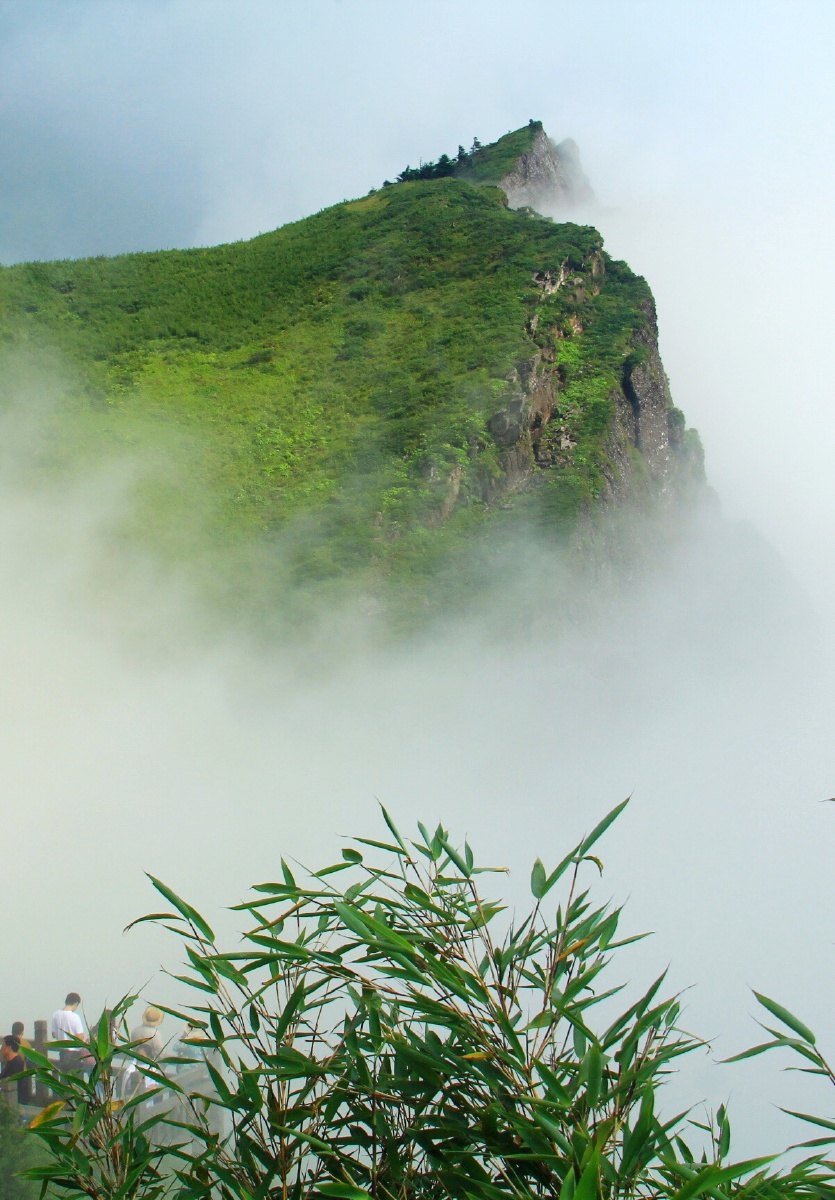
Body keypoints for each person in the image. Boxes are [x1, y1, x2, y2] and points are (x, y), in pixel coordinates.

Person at [51, 992, 89, 1071]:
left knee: (64, 1079)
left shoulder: (56, 1014)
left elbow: (54, 1034)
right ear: (76, 1003)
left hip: (62, 1052)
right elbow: (80, 1037)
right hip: (74, 1054)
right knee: (73, 1079)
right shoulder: (75, 1017)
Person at [0, 1036, 26, 1105]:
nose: (1, 1048)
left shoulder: (16, 1063)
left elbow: (8, 1081)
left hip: (14, 1099)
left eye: (3, 1046)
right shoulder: (11, 1062)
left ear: (9, 1048)